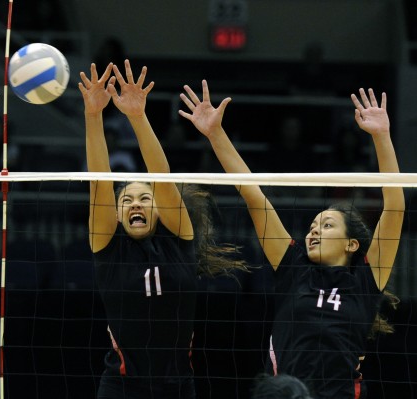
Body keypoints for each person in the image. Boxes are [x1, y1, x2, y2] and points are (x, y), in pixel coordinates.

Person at [179, 80, 404, 399]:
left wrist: (381, 137)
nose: (313, 231)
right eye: (312, 225)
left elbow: (394, 207)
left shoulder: (366, 281)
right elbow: (255, 197)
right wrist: (216, 133)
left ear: (351, 244)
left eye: (326, 225)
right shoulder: (293, 267)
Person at [79, 60, 244, 399]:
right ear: (118, 213)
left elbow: (162, 176)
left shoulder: (180, 240)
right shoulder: (108, 247)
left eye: (144, 198)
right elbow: (100, 182)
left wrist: (137, 117)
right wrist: (93, 115)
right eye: (126, 200)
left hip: (178, 387)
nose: (135, 204)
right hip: (121, 386)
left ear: (159, 208)